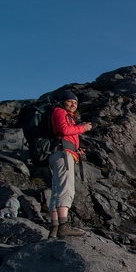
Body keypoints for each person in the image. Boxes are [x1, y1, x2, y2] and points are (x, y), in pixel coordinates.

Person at [48, 90, 92, 238]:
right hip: (63, 153)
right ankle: (63, 226)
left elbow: (65, 133)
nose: (73, 104)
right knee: (66, 189)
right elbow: (64, 130)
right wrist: (83, 128)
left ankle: (54, 228)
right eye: (70, 101)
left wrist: (76, 150)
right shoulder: (60, 112)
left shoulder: (65, 114)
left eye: (75, 102)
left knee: (57, 190)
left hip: (61, 152)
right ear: (63, 101)